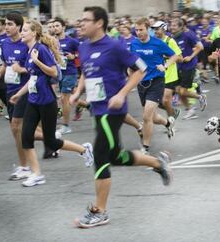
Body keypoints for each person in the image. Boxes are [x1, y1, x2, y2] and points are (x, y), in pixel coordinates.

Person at [70, 6, 172, 228]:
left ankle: (100, 211)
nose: (82, 23)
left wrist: (122, 94)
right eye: (82, 20)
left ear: (99, 23)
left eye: (86, 20)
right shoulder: (84, 46)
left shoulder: (115, 46)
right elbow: (85, 72)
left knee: (99, 155)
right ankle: (158, 162)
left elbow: (140, 69)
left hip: (112, 110)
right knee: (115, 156)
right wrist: (78, 92)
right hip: (97, 108)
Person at [9, 20, 94, 187]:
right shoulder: (29, 51)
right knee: (26, 138)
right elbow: (33, 77)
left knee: (51, 143)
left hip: (47, 102)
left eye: (25, 30)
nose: (22, 32)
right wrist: (18, 94)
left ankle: (84, 150)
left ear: (34, 33)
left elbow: (54, 72)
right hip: (33, 101)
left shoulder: (41, 49)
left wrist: (38, 61)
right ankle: (37, 174)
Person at [130, 17, 179, 153]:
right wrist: (129, 72)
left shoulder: (157, 43)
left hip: (156, 82)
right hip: (141, 83)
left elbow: (174, 56)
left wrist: (165, 65)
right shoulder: (134, 44)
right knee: (153, 116)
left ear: (148, 29)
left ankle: (145, 147)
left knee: (146, 116)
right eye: (136, 30)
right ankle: (168, 123)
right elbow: (132, 61)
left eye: (141, 30)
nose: (139, 32)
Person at [0, 12, 32, 180]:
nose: (7, 27)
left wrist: (22, 70)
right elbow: (5, 64)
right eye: (5, 24)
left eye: (10, 24)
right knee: (20, 130)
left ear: (19, 26)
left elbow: (34, 68)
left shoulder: (26, 44)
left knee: (16, 126)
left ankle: (25, 166)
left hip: (24, 90)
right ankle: (52, 139)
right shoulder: (4, 43)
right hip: (10, 91)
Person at [170, 18, 207, 120]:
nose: (172, 27)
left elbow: (200, 47)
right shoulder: (172, 37)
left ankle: (200, 97)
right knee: (178, 90)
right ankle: (190, 111)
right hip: (178, 66)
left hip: (189, 66)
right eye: (171, 25)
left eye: (174, 25)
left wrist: (190, 56)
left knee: (182, 91)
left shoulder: (188, 34)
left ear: (181, 27)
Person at [53, 17, 80, 134]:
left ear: (63, 27)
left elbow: (82, 52)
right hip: (58, 73)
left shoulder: (71, 41)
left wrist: (73, 57)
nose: (55, 28)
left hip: (70, 72)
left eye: (57, 26)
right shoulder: (52, 41)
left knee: (64, 99)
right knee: (70, 96)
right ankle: (90, 106)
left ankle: (66, 125)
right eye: (53, 26)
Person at [152, 20, 182, 119]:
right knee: (158, 102)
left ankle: (171, 123)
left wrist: (167, 56)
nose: (155, 31)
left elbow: (179, 57)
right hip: (157, 76)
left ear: (164, 29)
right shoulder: (153, 41)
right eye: (154, 29)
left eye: (157, 29)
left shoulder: (170, 41)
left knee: (165, 100)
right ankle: (173, 112)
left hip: (170, 75)